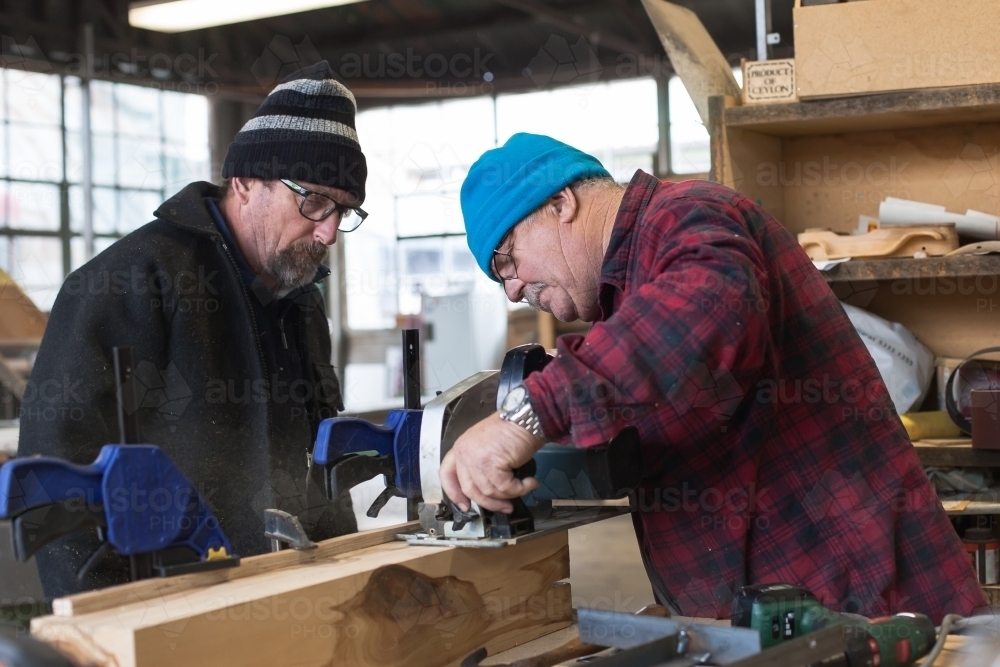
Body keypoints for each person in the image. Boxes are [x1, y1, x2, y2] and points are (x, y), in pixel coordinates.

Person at [442, 132, 986, 622]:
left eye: (509, 260)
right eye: (500, 280)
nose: (512, 290)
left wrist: (530, 413)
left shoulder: (689, 217)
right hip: (787, 622)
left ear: (561, 202)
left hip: (867, 610)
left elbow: (704, 314)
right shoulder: (627, 303)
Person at [19, 61, 365, 597]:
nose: (328, 231)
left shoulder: (299, 300)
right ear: (247, 181)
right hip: (170, 611)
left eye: (343, 212)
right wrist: (108, 624)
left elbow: (318, 463)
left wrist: (345, 583)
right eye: (313, 200)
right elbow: (55, 475)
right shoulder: (130, 283)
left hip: (290, 596)